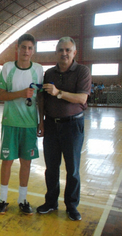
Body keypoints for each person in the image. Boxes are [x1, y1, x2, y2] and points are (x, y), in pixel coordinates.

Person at [38, 37, 91, 221]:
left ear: (74, 52)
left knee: (73, 169)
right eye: (61, 50)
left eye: (68, 50)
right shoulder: (49, 73)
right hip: (51, 125)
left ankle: (71, 205)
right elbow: (42, 99)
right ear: (56, 52)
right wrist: (41, 122)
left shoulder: (82, 71)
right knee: (51, 168)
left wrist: (58, 92)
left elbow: (82, 99)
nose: (64, 53)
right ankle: (51, 202)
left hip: (72, 126)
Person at [0, 33, 44, 215]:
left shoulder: (38, 70)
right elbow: (1, 95)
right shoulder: (8, 68)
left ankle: (22, 200)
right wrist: (21, 93)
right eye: (23, 47)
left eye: (30, 48)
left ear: (33, 50)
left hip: (30, 125)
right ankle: (2, 199)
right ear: (17, 48)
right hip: (10, 123)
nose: (26, 51)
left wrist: (41, 122)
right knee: (7, 161)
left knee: (26, 163)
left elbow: (41, 99)